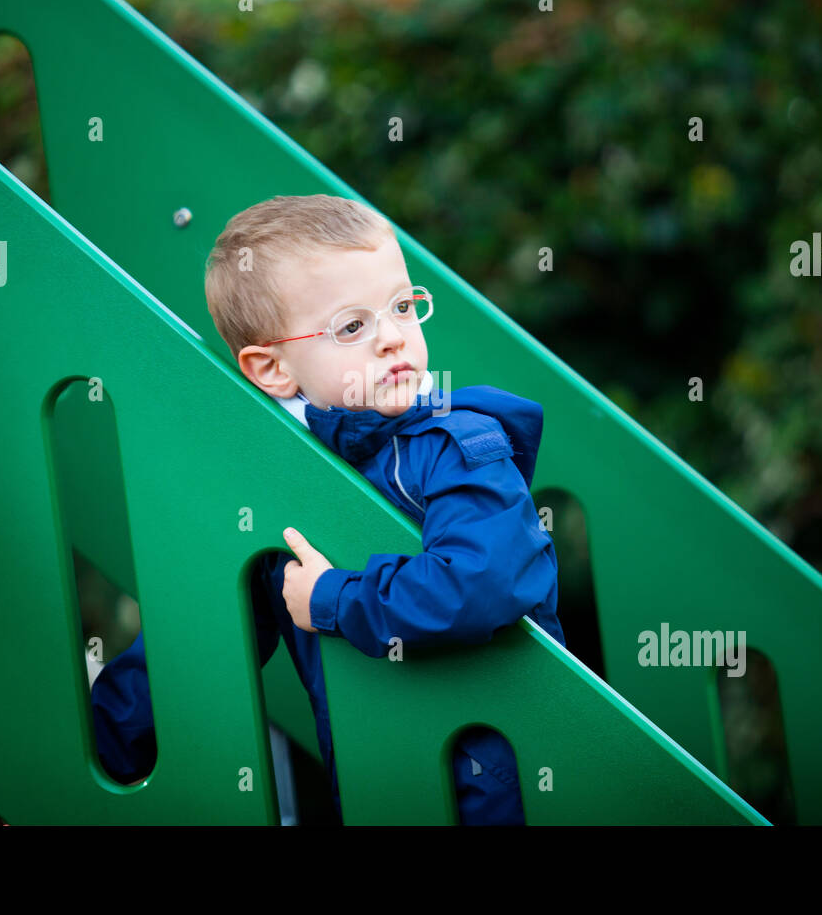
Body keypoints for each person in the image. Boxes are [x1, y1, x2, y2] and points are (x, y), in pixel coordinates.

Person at [92, 194, 565, 823]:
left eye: (402, 307)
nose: (394, 337)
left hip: (502, 788)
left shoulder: (459, 447)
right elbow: (201, 638)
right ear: (273, 369)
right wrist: (97, 747)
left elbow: (486, 580)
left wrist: (335, 601)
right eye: (352, 326)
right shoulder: (284, 488)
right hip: (382, 787)